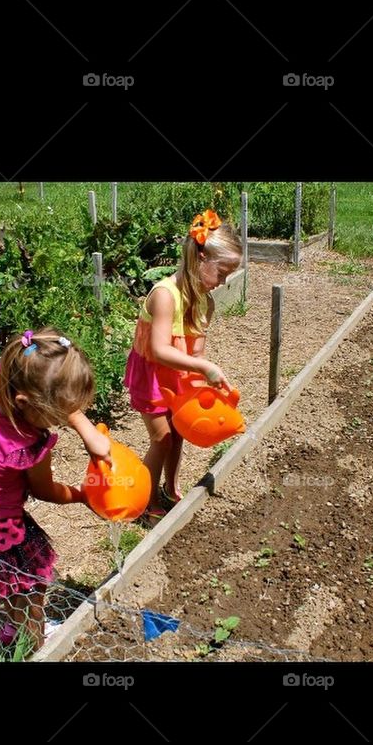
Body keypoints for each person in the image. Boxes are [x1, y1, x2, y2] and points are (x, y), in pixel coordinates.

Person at [0, 328, 111, 653]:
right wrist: (82, 495)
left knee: (9, 581)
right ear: (25, 403)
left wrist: (86, 430)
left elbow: (48, 386)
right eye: (56, 415)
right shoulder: (24, 442)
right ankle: (34, 641)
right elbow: (45, 492)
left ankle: (13, 625)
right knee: (31, 583)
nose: (60, 421)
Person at [124, 209, 243, 522]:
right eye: (221, 273)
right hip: (152, 376)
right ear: (200, 260)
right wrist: (205, 369)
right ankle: (146, 501)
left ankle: (171, 488)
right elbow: (159, 350)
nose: (223, 282)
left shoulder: (205, 302)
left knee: (178, 433)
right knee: (161, 438)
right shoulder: (165, 296)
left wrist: (205, 385)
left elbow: (196, 352)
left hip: (178, 377)